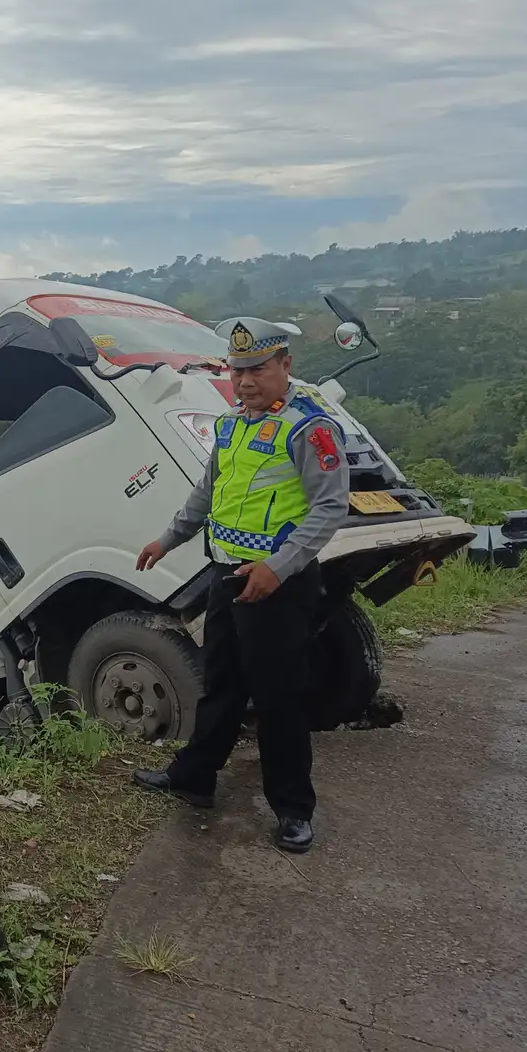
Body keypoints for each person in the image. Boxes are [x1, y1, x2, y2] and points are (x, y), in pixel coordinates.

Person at [132, 316, 350, 853]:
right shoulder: (231, 425)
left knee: (279, 698)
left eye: (256, 368)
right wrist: (167, 539)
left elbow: (329, 508)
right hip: (226, 575)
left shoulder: (309, 428)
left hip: (280, 584)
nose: (246, 380)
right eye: (237, 370)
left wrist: (278, 567)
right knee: (221, 682)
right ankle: (194, 778)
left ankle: (293, 809)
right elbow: (206, 495)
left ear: (285, 366)